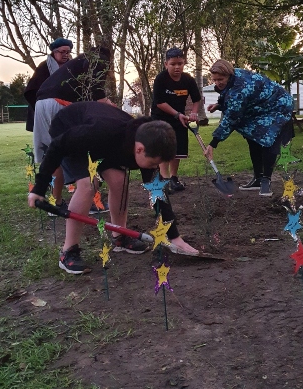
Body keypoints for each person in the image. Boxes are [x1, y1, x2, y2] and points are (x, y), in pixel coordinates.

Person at [28, 102, 199, 274]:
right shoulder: (99, 132)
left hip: (105, 144)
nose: (154, 167)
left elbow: (157, 191)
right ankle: (68, 251)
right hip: (69, 129)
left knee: (119, 181)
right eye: (154, 163)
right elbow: (57, 146)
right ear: (139, 149)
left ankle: (120, 237)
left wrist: (174, 236)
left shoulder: (146, 142)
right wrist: (39, 189)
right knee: (89, 185)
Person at [32, 46, 114, 211]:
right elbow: (98, 95)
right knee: (81, 151)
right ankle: (90, 202)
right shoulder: (98, 61)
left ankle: (57, 203)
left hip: (41, 104)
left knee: (54, 151)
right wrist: (114, 110)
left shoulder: (77, 63)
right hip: (59, 103)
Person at [205, 60, 294, 197]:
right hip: (259, 108)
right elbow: (229, 95)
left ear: (229, 75)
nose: (218, 83)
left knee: (267, 140)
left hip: (278, 106)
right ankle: (258, 178)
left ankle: (266, 180)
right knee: (253, 138)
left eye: (220, 79)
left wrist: (213, 143)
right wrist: (219, 104)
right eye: (215, 80)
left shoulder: (240, 88)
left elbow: (231, 119)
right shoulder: (235, 76)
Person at [24, 37, 73, 208]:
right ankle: (54, 197)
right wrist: (43, 109)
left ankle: (66, 189)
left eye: (68, 52)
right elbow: (30, 91)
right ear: (54, 52)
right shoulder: (45, 67)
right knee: (52, 153)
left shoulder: (71, 68)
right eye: (62, 52)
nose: (65, 55)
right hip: (47, 114)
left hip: (66, 113)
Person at [151, 47, 201, 192]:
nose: (177, 67)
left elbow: (196, 99)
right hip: (161, 118)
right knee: (164, 147)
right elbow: (159, 103)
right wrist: (177, 114)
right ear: (166, 64)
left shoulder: (188, 80)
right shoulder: (161, 79)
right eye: (173, 64)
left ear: (184, 63)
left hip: (180, 118)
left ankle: (173, 178)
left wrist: (194, 113)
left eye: (180, 63)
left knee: (177, 149)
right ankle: (164, 179)